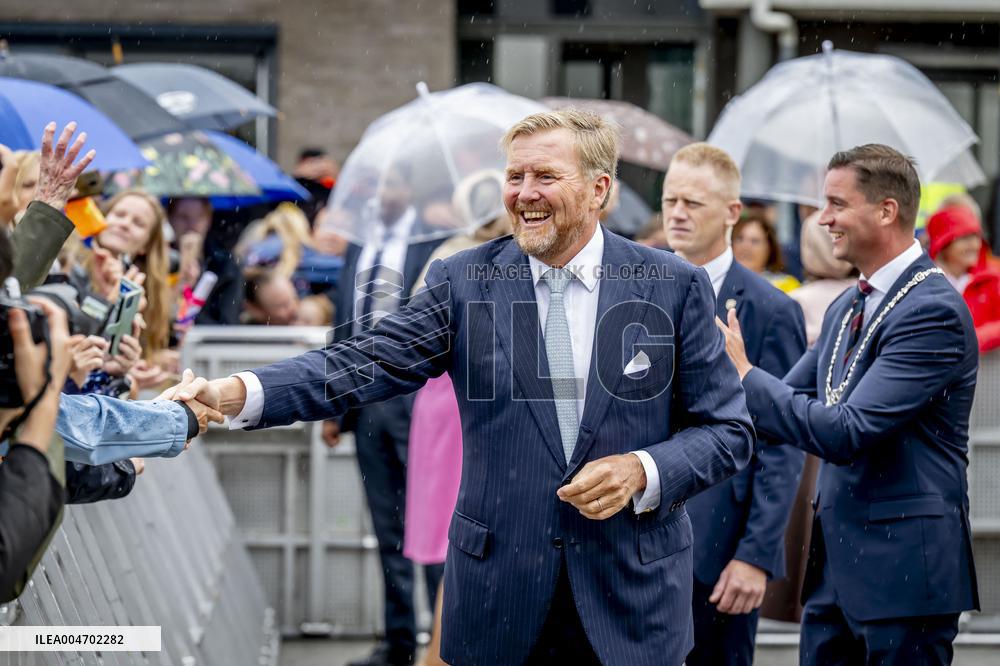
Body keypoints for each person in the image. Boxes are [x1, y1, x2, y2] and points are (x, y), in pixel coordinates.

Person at [173, 109, 754, 665]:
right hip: (500, 598)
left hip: (633, 597)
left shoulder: (672, 284)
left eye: (545, 176)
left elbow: (728, 430)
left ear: (599, 190)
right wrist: (237, 393)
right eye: (515, 176)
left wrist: (642, 470)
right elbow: (366, 359)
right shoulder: (464, 280)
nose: (524, 193)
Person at [717, 144, 979, 665]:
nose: (823, 219)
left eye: (836, 204)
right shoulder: (847, 304)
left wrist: (745, 374)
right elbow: (777, 412)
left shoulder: (933, 311)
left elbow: (845, 432)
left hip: (905, 578)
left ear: (886, 210)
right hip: (835, 575)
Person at [661, 143, 806, 666]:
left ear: (732, 212)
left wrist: (755, 556)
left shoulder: (771, 311)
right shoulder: (628, 290)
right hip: (631, 547)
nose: (676, 213)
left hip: (719, 551)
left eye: (692, 203)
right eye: (669, 200)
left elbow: (782, 442)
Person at [319, 160, 445, 666]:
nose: (378, 194)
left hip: (422, 401)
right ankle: (398, 643)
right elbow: (344, 324)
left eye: (389, 183)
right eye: (372, 186)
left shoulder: (432, 242)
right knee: (387, 527)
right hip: (366, 401)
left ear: (408, 189)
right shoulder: (358, 245)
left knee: (433, 528)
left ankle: (443, 645)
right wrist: (334, 403)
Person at [926, 204, 1000, 353]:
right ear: (944, 244)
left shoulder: (992, 280)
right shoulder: (925, 284)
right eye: (965, 238)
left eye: (976, 237)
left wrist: (972, 340)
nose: (974, 245)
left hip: (986, 373)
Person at [732, 214, 801, 292]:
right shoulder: (720, 282)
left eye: (754, 241)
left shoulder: (787, 285)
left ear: (770, 248)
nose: (745, 246)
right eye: (739, 239)